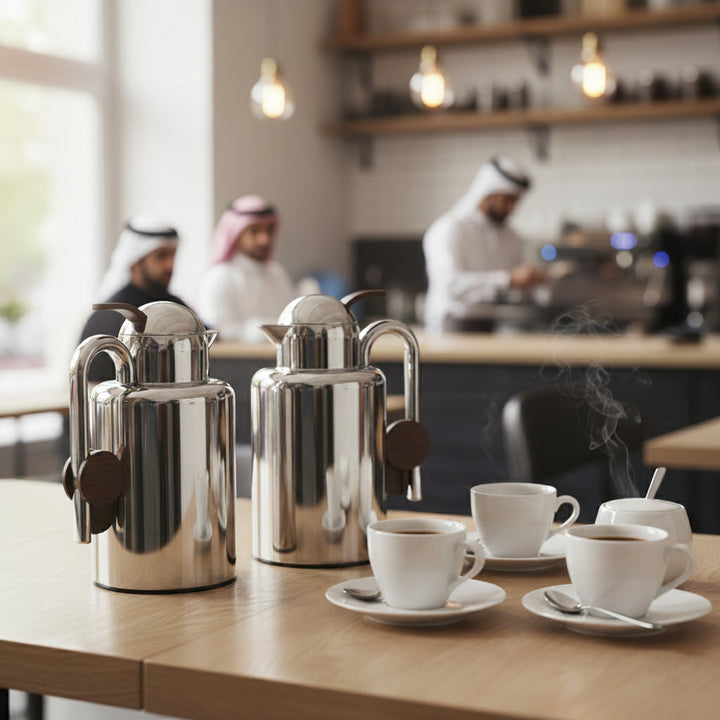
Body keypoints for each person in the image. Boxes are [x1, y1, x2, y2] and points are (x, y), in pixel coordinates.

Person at [423, 156, 547, 333]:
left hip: (493, 328)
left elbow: (515, 290)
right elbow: (451, 285)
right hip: (451, 329)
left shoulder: (511, 237)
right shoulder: (449, 229)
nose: (512, 208)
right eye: (507, 200)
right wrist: (509, 278)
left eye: (516, 202)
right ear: (487, 195)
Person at [78, 215, 189, 381]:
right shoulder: (111, 314)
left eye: (173, 255)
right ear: (135, 261)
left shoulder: (174, 306)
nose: (170, 265)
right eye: (161, 256)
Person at [195, 194, 295, 342]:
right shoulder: (220, 277)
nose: (264, 239)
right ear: (235, 234)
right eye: (255, 231)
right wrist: (267, 331)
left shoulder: (277, 273)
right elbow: (217, 333)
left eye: (269, 231)